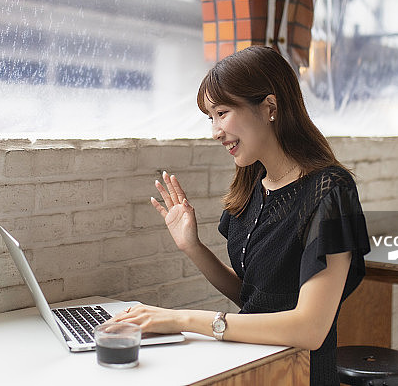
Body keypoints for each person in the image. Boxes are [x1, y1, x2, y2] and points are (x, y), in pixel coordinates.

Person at [113, 45, 370, 386]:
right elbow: (255, 298)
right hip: (251, 362)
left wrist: (182, 319)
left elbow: (310, 329)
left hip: (298, 374)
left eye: (222, 112)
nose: (215, 131)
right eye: (210, 117)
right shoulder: (251, 186)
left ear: (270, 107)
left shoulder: (330, 191)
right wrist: (193, 247)